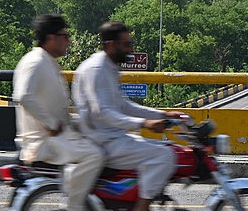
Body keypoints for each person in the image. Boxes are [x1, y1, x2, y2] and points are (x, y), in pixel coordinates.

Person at [72, 22, 184, 211]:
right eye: (125, 44)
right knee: (164, 156)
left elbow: (123, 105)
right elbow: (103, 113)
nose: (130, 49)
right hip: (103, 141)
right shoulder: (96, 69)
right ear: (110, 44)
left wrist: (162, 114)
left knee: (169, 148)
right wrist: (145, 123)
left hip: (114, 136)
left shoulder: (108, 67)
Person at [13, 15, 104, 211]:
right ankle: (75, 206)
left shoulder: (48, 62)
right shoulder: (35, 62)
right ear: (51, 37)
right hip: (44, 141)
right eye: (65, 36)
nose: (68, 41)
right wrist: (51, 124)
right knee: (94, 155)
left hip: (57, 136)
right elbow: (23, 96)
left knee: (100, 141)